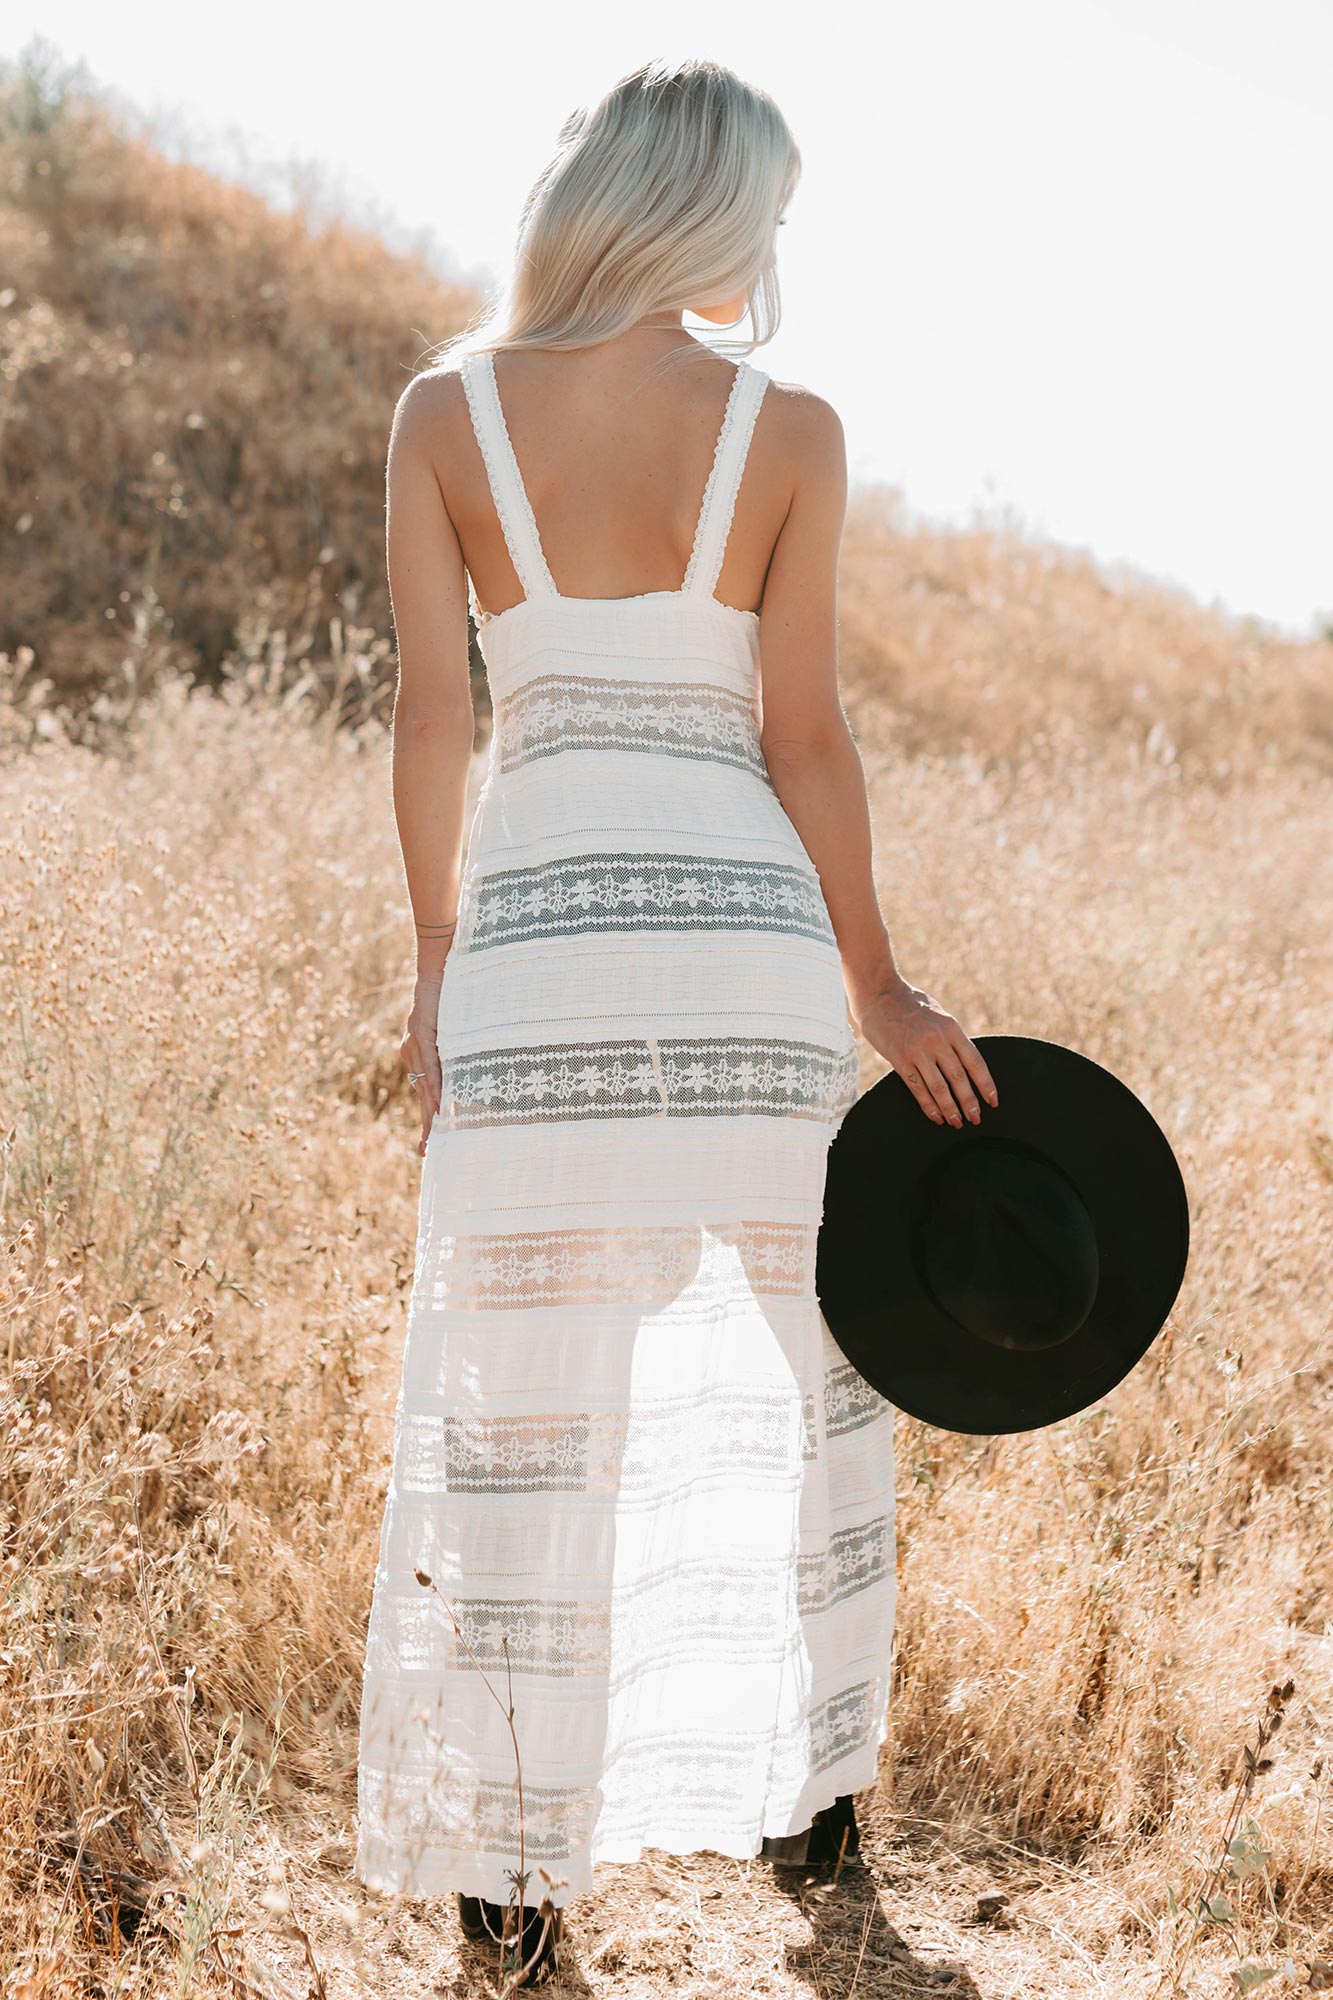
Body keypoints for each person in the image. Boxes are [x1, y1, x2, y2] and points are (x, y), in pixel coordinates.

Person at [355, 54, 997, 1986]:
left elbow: (430, 719)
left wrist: (435, 958)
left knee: (536, 1409)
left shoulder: (444, 413)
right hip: (746, 940)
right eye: (768, 208)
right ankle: (813, 1804)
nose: (773, 245)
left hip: (541, 942)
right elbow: (803, 734)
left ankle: (513, 1866)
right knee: (815, 1377)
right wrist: (876, 984)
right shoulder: (784, 428)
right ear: (707, 212)